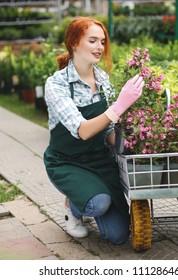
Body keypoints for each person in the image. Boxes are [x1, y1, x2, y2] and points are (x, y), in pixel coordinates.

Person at [43, 17, 144, 245]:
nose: (100, 47)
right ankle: (73, 207)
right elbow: (83, 131)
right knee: (98, 203)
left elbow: (106, 130)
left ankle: (90, 194)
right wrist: (120, 105)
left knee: (118, 236)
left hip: (99, 160)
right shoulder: (57, 84)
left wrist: (130, 141)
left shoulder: (103, 79)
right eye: (92, 41)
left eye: (102, 41)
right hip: (66, 161)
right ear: (75, 43)